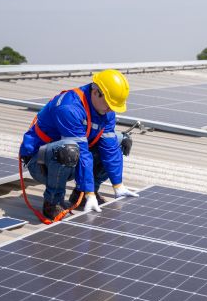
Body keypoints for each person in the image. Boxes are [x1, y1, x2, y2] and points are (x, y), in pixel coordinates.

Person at [19, 69, 138, 220]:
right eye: (109, 104)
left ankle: (80, 196)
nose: (110, 109)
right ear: (96, 92)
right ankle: (52, 202)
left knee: (121, 141)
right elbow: (81, 152)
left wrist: (118, 185)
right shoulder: (69, 108)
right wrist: (88, 193)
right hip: (41, 163)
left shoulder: (106, 110)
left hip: (71, 158)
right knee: (69, 149)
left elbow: (110, 148)